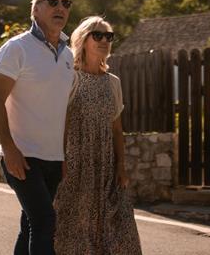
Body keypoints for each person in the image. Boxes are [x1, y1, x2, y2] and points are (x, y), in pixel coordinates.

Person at [0, 0, 74, 255]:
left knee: (31, 224)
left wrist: (64, 156)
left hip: (53, 158)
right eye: (52, 2)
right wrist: (10, 149)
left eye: (65, 3)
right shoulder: (17, 49)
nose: (60, 7)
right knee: (45, 221)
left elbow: (60, 110)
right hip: (21, 157)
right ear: (35, 10)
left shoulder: (69, 54)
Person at [54, 16, 143, 255]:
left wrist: (121, 166)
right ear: (83, 40)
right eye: (98, 35)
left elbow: (116, 128)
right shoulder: (70, 78)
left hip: (106, 167)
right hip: (76, 166)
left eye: (109, 36)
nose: (104, 40)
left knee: (122, 230)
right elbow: (61, 123)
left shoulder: (113, 83)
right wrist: (60, 162)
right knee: (77, 230)